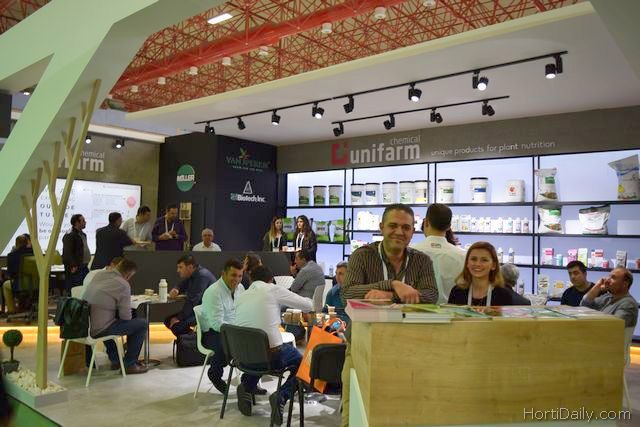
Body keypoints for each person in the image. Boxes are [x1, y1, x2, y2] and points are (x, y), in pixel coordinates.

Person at [340, 204, 439, 427]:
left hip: (406, 350)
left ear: (413, 231)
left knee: (397, 416)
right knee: (354, 414)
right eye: (393, 225)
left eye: (406, 227)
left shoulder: (422, 261)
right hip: (362, 348)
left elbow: (431, 296)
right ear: (381, 227)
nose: (399, 232)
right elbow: (347, 294)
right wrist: (392, 284)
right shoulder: (362, 256)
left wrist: (389, 295)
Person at [234, 265, 312, 425]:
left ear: (251, 279)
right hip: (269, 357)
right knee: (303, 363)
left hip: (243, 357)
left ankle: (247, 384)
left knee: (260, 352)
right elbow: (307, 305)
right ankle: (281, 396)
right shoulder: (272, 289)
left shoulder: (241, 296)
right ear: (270, 280)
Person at [82, 259, 148, 374]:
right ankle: (129, 364)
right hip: (100, 329)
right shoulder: (123, 284)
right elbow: (126, 317)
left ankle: (116, 360)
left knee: (109, 320)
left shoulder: (99, 274)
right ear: (128, 275)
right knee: (142, 324)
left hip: (85, 326)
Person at [199, 259, 245, 393]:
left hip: (234, 329)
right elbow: (216, 324)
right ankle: (215, 374)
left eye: (240, 276)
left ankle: (250, 382)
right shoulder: (213, 292)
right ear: (223, 274)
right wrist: (238, 332)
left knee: (254, 343)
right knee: (224, 344)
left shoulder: (241, 288)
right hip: (212, 332)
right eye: (233, 275)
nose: (237, 279)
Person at [411, 203, 466, 304]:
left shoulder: (411, 251)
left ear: (426, 222)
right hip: (451, 311)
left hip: (417, 310)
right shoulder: (463, 256)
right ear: (449, 226)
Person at [448, 241, 513, 306]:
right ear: (467, 263)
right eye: (474, 259)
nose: (478, 264)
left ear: (493, 265)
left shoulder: (503, 295)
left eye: (484, 260)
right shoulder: (457, 292)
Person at [164, 255, 215, 337]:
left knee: (177, 326)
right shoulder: (194, 274)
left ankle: (195, 340)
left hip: (207, 313)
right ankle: (191, 339)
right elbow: (182, 284)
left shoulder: (202, 276)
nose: (178, 270)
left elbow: (192, 301)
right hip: (198, 310)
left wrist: (179, 318)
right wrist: (176, 289)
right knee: (168, 321)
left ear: (190, 267)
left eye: (180, 267)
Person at [2, 235, 33, 315]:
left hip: (20, 284)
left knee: (5, 285)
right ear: (27, 242)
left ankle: (11, 310)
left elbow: (10, 273)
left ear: (16, 244)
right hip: (36, 283)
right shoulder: (34, 253)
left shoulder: (11, 255)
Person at [62, 214, 91, 291]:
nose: (85, 222)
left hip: (84, 265)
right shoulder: (70, 235)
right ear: (77, 223)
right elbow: (68, 252)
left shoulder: (83, 234)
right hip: (76, 267)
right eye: (83, 221)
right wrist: (73, 265)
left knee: (85, 286)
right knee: (75, 287)